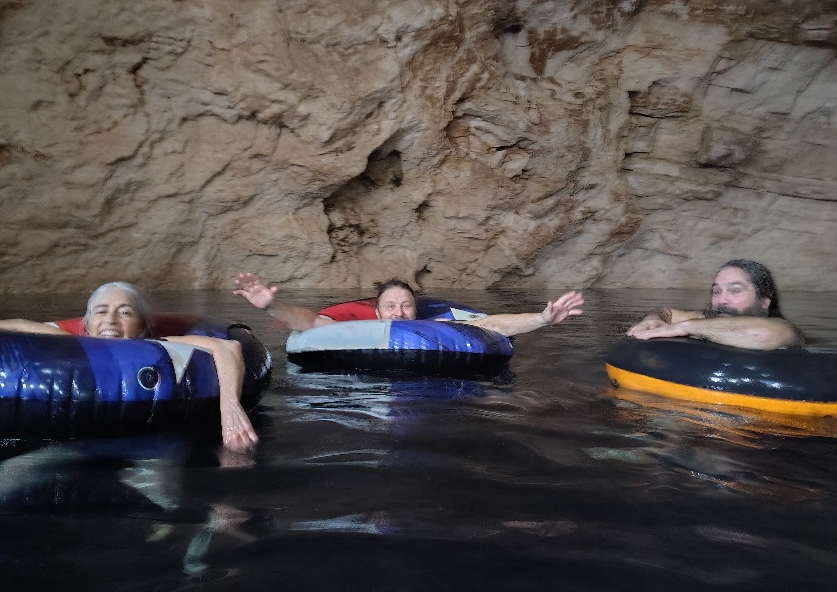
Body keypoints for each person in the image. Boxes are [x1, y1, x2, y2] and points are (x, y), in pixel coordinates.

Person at [0, 282, 257, 451]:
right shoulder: (71, 341)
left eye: (125, 312)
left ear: (142, 327)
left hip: (148, 439)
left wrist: (229, 405)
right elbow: (18, 326)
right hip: (78, 440)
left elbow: (227, 347)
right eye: (102, 311)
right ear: (86, 325)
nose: (111, 320)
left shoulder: (157, 345)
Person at [233, 273, 584, 336]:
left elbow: (491, 324)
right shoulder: (359, 328)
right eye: (391, 306)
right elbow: (309, 322)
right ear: (377, 311)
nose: (399, 313)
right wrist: (269, 305)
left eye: (406, 306)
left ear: (416, 311)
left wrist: (542, 317)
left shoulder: (437, 327)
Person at [625, 259, 804, 350]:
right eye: (716, 291)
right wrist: (652, 319)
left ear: (764, 301)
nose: (721, 300)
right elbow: (666, 312)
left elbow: (761, 334)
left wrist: (685, 327)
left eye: (735, 290)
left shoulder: (784, 329)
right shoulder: (706, 319)